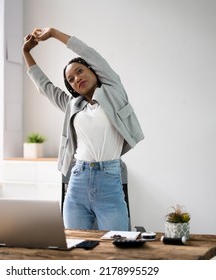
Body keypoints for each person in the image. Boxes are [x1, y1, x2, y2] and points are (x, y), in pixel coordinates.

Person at [22, 27, 144, 231]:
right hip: (77, 181)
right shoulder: (72, 106)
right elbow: (45, 87)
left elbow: (88, 53)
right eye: (71, 79)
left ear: (93, 71)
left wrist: (52, 33)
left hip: (110, 182)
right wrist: (26, 52)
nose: (77, 78)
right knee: (75, 248)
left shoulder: (113, 91)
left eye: (80, 71)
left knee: (116, 247)